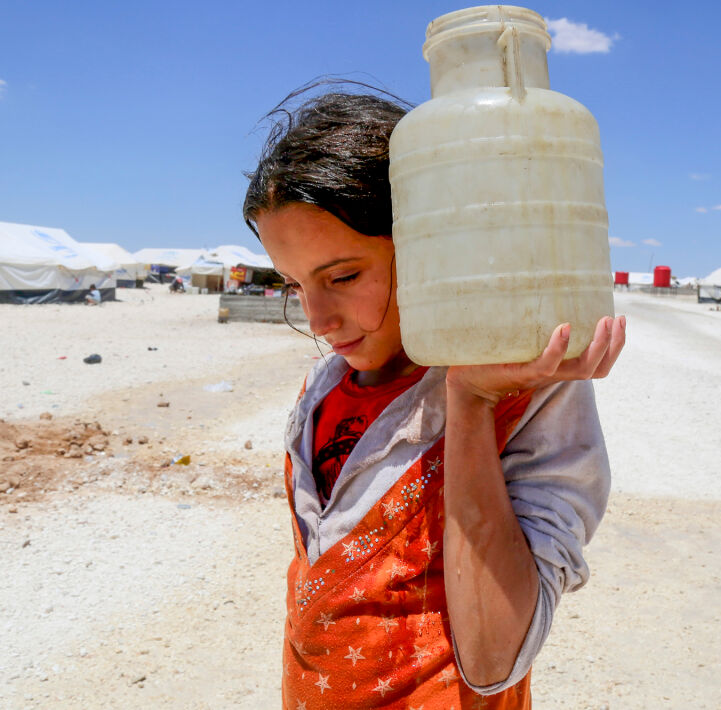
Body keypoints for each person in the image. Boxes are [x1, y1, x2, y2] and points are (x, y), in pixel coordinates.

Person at [242, 91, 626, 709]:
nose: (317, 319)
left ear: (433, 250)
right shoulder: (323, 389)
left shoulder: (524, 396)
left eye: (342, 277)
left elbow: (495, 655)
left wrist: (470, 403)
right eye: (293, 284)